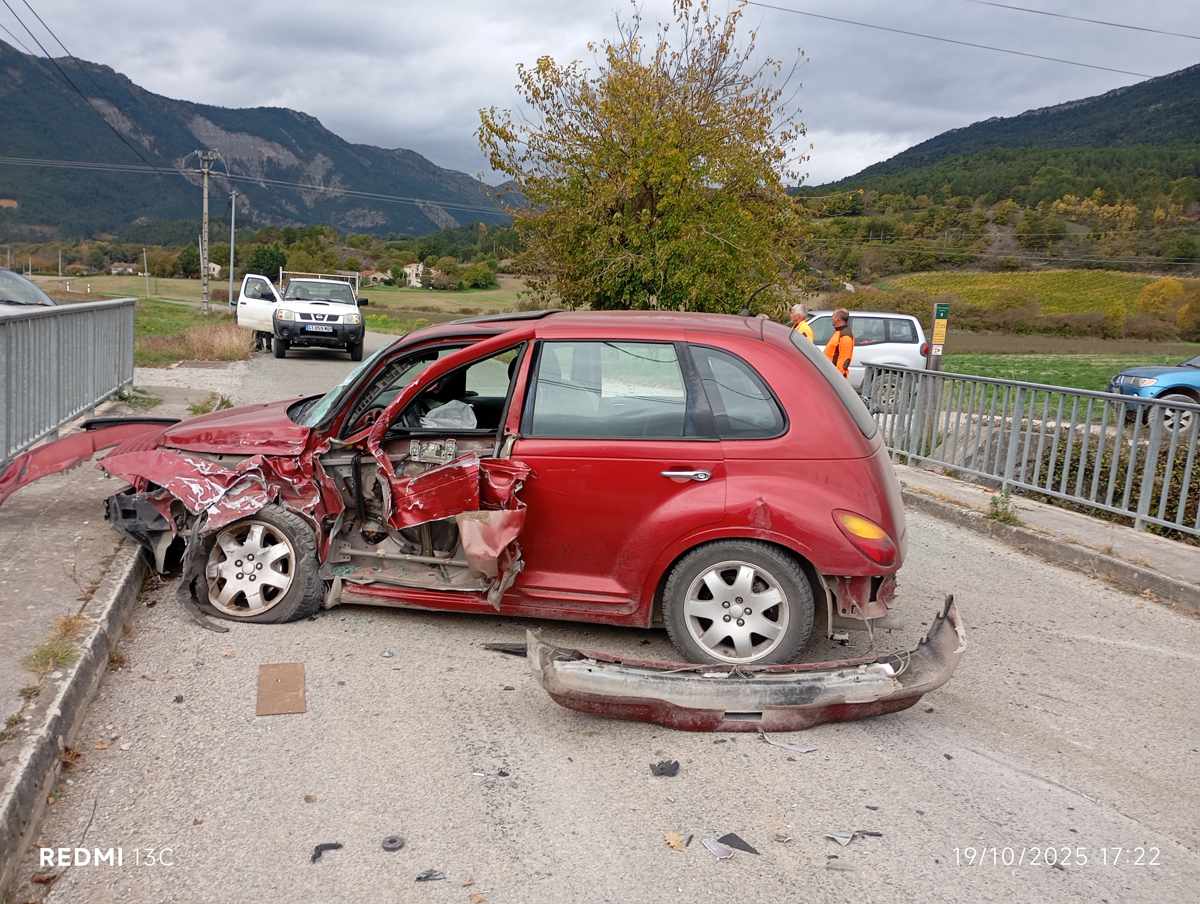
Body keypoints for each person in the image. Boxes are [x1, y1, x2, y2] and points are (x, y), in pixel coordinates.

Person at [824, 308, 854, 378]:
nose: (832, 318)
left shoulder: (845, 335)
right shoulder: (839, 332)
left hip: (834, 375)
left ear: (838, 319)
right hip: (829, 372)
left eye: (833, 316)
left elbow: (844, 360)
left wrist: (837, 377)